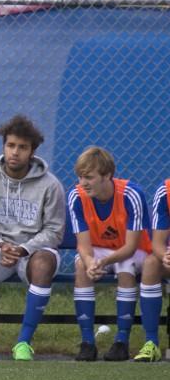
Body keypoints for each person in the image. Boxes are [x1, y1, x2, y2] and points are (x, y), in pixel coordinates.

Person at [0, 115, 65, 362]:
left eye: (22, 147)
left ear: (32, 151)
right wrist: (1, 245)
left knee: (43, 264)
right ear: (3, 146)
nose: (15, 153)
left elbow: (54, 231)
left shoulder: (51, 185)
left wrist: (23, 249)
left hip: (34, 250)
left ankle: (23, 343)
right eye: (11, 145)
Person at [68, 147, 151, 362]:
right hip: (101, 250)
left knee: (125, 266)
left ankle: (121, 341)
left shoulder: (131, 194)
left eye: (89, 177)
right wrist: (90, 263)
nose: (83, 182)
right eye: (80, 176)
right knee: (80, 266)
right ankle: (87, 343)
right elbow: (83, 246)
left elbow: (131, 247)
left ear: (107, 176)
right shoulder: (76, 196)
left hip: (136, 251)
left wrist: (102, 261)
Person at [135, 179, 169, 362]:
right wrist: (165, 256)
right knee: (151, 263)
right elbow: (157, 243)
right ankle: (151, 343)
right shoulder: (166, 191)